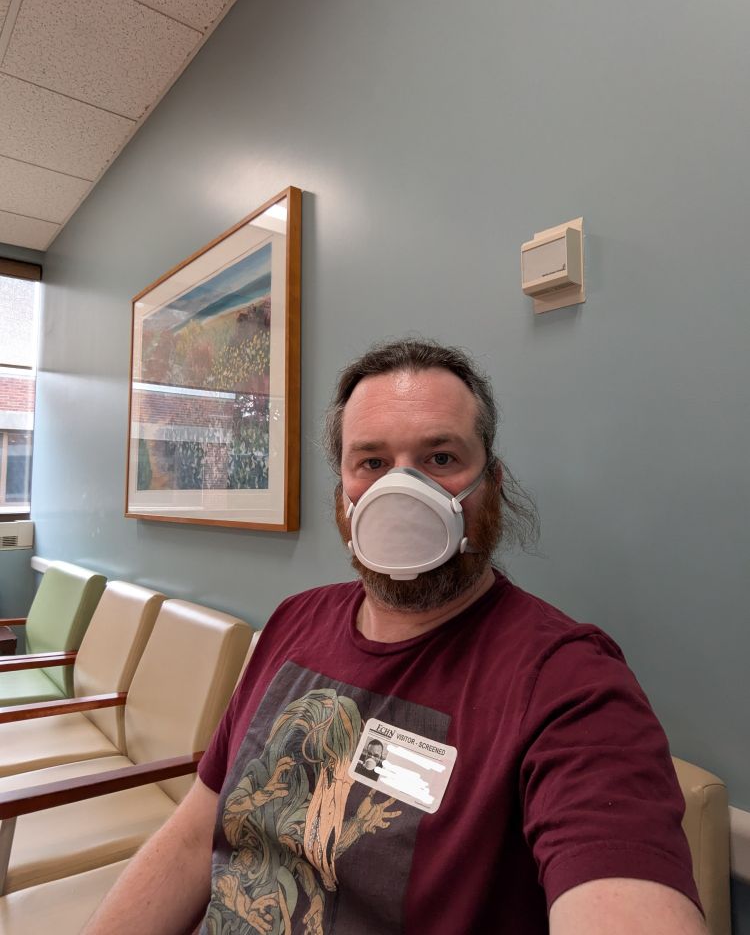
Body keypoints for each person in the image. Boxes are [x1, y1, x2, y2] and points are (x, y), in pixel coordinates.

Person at [85, 338, 707, 934]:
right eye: (373, 463)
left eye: (441, 459)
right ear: (345, 495)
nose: (402, 492)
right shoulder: (293, 622)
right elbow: (199, 834)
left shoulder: (568, 685)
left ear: (489, 481)